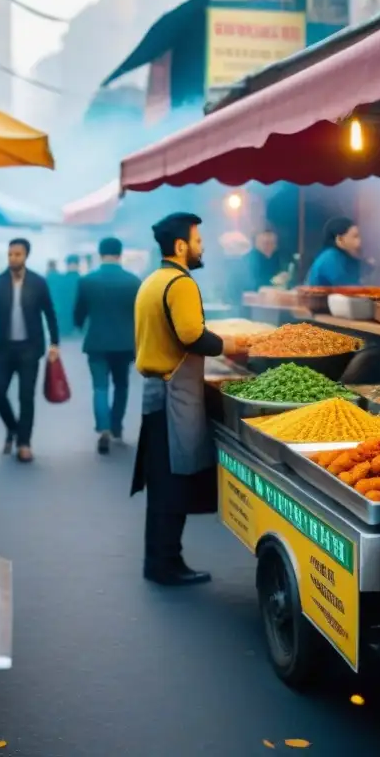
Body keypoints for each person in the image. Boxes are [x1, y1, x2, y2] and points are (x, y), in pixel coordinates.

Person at [131, 213, 236, 587]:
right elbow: (192, 335)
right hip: (176, 395)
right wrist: (230, 344)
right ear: (180, 246)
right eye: (198, 239)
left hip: (156, 393)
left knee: (162, 481)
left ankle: (161, 560)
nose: (202, 245)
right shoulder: (180, 282)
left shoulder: (152, 281)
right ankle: (165, 564)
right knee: (172, 483)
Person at [0, 238, 60, 463]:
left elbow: (50, 314)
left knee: (26, 397)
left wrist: (55, 343)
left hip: (30, 348)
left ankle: (24, 443)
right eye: (10, 254)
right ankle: (13, 427)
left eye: (17, 254)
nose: (13, 258)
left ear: (26, 256)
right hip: (4, 349)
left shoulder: (38, 282)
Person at [74, 237, 141, 454]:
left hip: (97, 342)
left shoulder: (87, 281)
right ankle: (117, 428)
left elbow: (79, 313)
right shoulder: (133, 281)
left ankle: (103, 429)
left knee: (100, 387)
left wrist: (79, 324)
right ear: (120, 254)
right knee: (121, 385)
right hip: (124, 344)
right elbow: (140, 314)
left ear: (100, 253)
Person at [306, 217, 363, 287]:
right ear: (340, 240)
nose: (360, 242)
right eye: (355, 237)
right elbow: (349, 289)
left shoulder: (343, 257)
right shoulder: (330, 259)